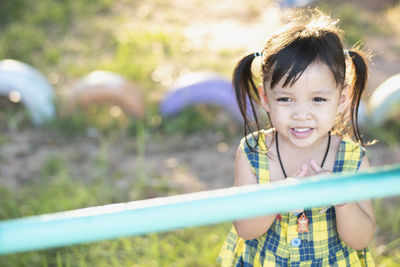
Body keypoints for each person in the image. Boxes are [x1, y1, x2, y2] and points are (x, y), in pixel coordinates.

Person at [218, 9, 375, 266]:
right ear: (266, 99)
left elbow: (361, 239)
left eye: (318, 99)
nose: (301, 114)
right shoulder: (252, 152)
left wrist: (342, 198)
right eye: (285, 99)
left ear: (342, 100)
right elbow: (246, 229)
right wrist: (279, 198)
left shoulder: (351, 159)